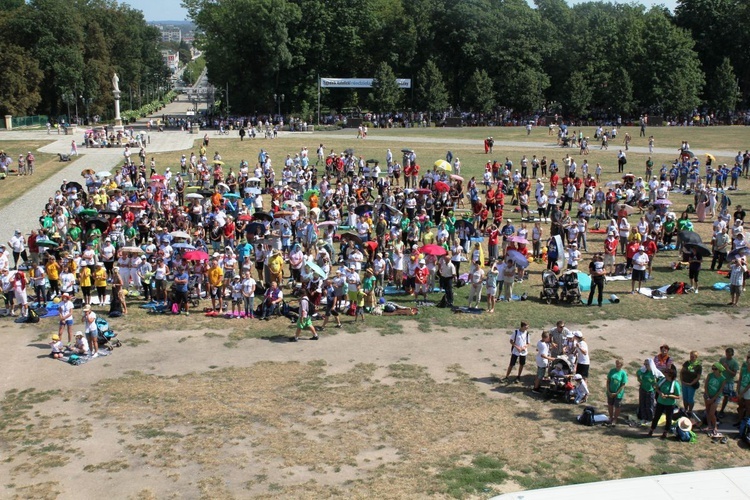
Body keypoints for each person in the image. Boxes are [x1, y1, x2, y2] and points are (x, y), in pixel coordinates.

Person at [648, 366, 681, 439]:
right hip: (660, 402)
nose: (665, 375)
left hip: (670, 404)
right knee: (656, 417)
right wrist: (660, 393)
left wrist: (668, 396)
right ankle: (652, 429)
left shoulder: (675, 384)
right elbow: (656, 388)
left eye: (666, 374)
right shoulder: (663, 380)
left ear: (670, 376)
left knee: (668, 419)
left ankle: (665, 432)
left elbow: (678, 396)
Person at [704, 363, 727, 437]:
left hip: (716, 397)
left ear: (719, 370)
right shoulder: (710, 375)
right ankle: (709, 425)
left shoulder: (723, 379)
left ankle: (715, 426)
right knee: (707, 410)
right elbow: (706, 386)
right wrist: (708, 397)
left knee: (712, 413)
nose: (713, 370)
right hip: (708, 395)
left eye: (715, 369)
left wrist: (712, 399)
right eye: (712, 368)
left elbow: (720, 391)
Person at [637, 359, 662, 425]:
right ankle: (643, 417)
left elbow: (662, 378)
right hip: (643, 389)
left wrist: (656, 385)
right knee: (642, 404)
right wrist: (640, 380)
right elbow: (638, 373)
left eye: (647, 364)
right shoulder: (643, 371)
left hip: (650, 391)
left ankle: (650, 418)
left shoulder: (655, 372)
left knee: (649, 405)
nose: (645, 366)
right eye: (644, 364)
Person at [718, 348, 740, 419]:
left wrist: (727, 369)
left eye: (729, 355)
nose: (727, 356)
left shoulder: (735, 363)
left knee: (726, 396)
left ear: (732, 354)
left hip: (729, 382)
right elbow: (718, 369)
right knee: (717, 394)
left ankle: (722, 410)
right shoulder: (722, 360)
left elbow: (734, 374)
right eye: (726, 354)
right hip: (721, 380)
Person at [606, 359, 628, 426]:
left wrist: (617, 393)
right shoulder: (612, 371)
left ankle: (615, 419)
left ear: (621, 365)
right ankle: (610, 417)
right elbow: (608, 381)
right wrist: (609, 391)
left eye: (618, 364)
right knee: (610, 404)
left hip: (618, 393)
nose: (617, 365)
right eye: (616, 363)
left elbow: (623, 385)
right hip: (610, 391)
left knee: (617, 406)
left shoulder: (623, 373)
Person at [737, 352, 750, 423]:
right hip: (741, 387)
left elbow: (748, 386)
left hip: (747, 391)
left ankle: (745, 422)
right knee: (741, 405)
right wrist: (737, 390)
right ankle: (739, 420)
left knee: (748, 406)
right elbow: (740, 380)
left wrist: (741, 393)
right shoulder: (743, 369)